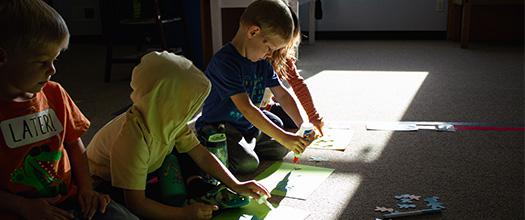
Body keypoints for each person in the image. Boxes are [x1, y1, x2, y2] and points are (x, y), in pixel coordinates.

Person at [86, 51, 271, 220]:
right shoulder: (132, 139)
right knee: (128, 206)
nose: (192, 112)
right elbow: (136, 203)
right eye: (186, 105)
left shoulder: (168, 120)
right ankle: (188, 195)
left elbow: (200, 154)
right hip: (105, 179)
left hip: (148, 164)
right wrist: (183, 214)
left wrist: (236, 183)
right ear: (164, 102)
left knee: (187, 152)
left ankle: (196, 187)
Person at [0, 0, 138, 219]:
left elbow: (74, 144)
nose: (52, 70)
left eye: (54, 60)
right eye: (42, 62)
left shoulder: (55, 93)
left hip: (71, 197)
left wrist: (87, 189)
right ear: (2, 57)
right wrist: (24, 207)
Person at [195, 0, 314, 174]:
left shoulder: (262, 62)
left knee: (281, 143)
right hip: (220, 126)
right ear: (253, 32)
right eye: (269, 47)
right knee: (247, 164)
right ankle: (210, 144)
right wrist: (283, 137)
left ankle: (247, 144)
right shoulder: (225, 62)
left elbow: (282, 95)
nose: (270, 54)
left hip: (247, 125)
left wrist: (302, 125)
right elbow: (247, 108)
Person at [265, 5, 325, 136]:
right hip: (249, 109)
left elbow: (298, 84)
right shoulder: (256, 58)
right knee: (277, 124)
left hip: (266, 105)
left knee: (294, 121)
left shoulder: (282, 56)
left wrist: (313, 116)